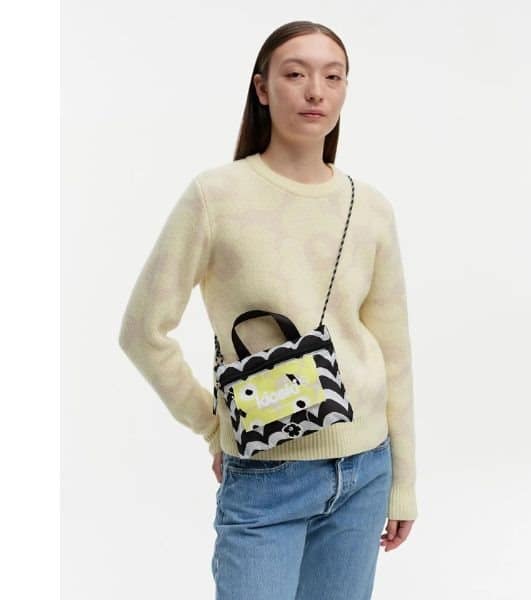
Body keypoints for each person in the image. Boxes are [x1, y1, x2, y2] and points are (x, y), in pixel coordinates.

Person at [118, 19, 418, 600]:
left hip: (365, 470)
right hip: (265, 475)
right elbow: (142, 330)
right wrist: (213, 426)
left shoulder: (370, 207)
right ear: (262, 88)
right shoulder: (215, 196)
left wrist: (403, 482)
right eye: (296, 74)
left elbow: (394, 352)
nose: (316, 91)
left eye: (333, 77)